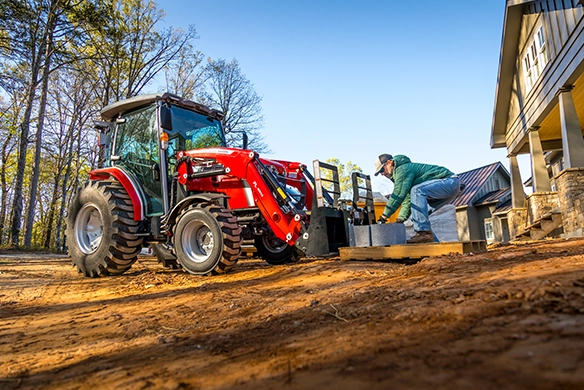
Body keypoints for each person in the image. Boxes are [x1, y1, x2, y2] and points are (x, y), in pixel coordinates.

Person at [374, 153, 461, 244]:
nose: (382, 174)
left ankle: (424, 233)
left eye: (382, 170)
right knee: (417, 216)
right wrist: (400, 219)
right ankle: (434, 245)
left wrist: (384, 216)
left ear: (389, 163)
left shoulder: (403, 169)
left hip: (449, 182)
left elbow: (398, 194)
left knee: (417, 190)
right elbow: (407, 200)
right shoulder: (401, 174)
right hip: (447, 186)